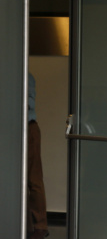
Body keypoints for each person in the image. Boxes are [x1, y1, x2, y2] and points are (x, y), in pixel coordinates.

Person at [27, 73, 49, 239]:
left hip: (27, 127)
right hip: (10, 127)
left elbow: (27, 103)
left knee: (33, 179)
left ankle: (40, 226)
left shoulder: (24, 75)